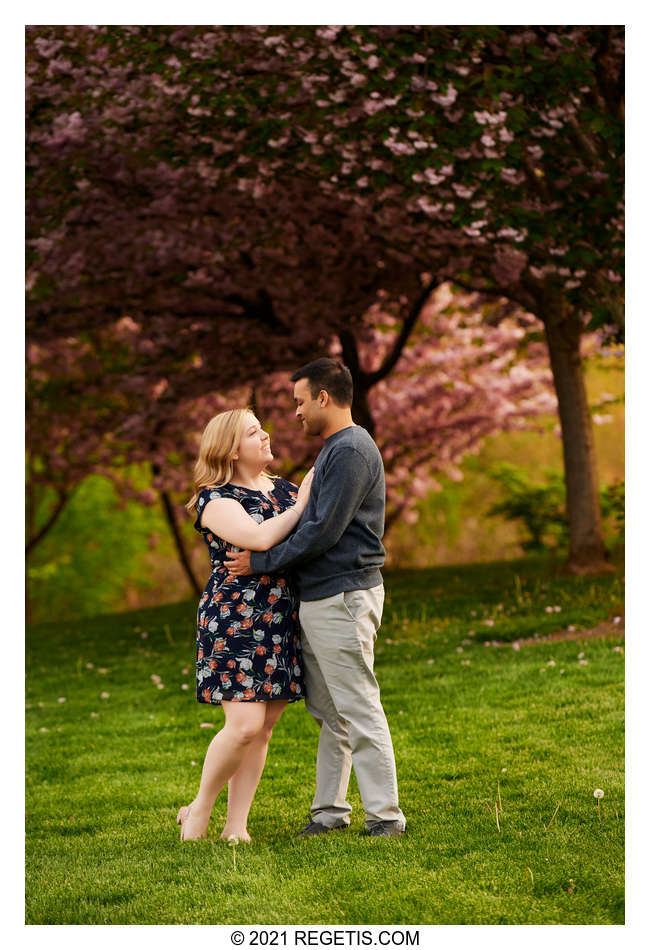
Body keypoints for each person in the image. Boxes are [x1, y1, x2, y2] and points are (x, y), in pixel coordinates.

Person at [225, 359, 406, 838]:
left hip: (343, 595)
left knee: (358, 705)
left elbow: (324, 531)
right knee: (331, 712)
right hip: (322, 597)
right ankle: (329, 813)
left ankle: (386, 816)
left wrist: (261, 562)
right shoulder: (332, 450)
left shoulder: (351, 450)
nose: (297, 413)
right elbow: (310, 520)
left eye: (300, 401)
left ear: (324, 397)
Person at [177, 408, 313, 842]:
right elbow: (258, 539)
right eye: (255, 433)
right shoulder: (214, 499)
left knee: (264, 727)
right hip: (235, 618)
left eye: (262, 428)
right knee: (244, 726)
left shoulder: (284, 491)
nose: (266, 435)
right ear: (232, 449)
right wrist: (306, 504)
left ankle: (236, 828)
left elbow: (302, 540)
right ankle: (199, 809)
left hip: (279, 616)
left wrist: (301, 504)